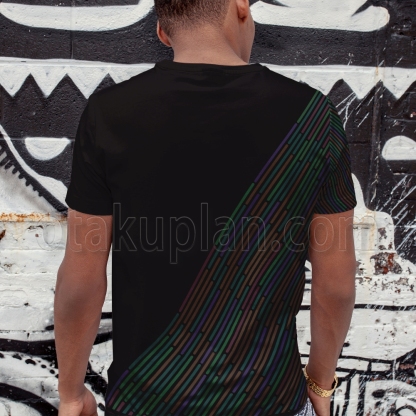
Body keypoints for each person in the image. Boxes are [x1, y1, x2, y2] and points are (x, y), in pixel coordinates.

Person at [55, 0, 357, 415]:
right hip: (269, 402)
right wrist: (320, 382)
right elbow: (336, 284)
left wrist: (71, 393)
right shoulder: (314, 118)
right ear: (240, 6)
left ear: (163, 31)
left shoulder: (108, 114)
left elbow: (81, 279)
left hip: (147, 402)